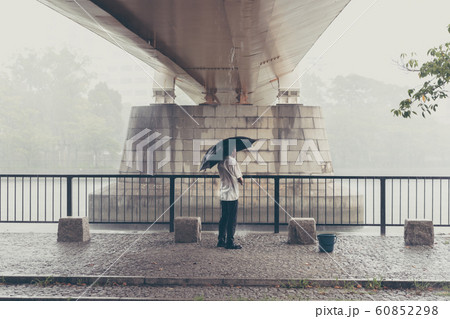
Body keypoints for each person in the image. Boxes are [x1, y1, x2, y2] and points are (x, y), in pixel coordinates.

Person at [217, 148, 244, 249]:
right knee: (232, 219)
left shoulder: (220, 162)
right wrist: (242, 180)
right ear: (231, 151)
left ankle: (221, 240)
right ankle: (230, 242)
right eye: (234, 150)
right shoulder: (232, 162)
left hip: (224, 193)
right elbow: (240, 179)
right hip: (232, 194)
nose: (235, 152)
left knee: (223, 218)